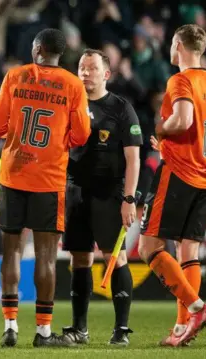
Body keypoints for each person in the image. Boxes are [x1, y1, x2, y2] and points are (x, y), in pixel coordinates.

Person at [0, 28, 91, 348]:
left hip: (13, 175)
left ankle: (10, 326)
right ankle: (44, 333)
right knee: (46, 257)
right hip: (48, 180)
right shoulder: (73, 85)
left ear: (36, 49)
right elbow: (81, 136)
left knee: (11, 252)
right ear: (60, 54)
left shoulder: (15, 76)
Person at [138, 24, 206, 347]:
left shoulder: (181, 80)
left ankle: (197, 308)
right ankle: (181, 328)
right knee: (188, 252)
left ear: (178, 45)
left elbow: (183, 119)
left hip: (179, 172)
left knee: (150, 247)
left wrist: (161, 132)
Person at [61, 49, 142, 346]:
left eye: (92, 68)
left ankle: (121, 329)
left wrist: (129, 199)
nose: (85, 72)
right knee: (79, 258)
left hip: (110, 192)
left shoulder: (121, 108)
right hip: (74, 190)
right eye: (82, 67)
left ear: (106, 74)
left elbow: (133, 158)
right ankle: (79, 329)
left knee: (116, 257)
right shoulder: (70, 104)